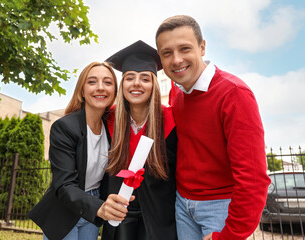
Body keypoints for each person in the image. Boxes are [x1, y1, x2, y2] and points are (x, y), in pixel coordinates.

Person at [155, 15, 271, 240]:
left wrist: (231, 235)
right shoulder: (176, 92)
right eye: (167, 53)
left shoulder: (234, 94)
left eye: (185, 48)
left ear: (202, 47)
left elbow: (254, 178)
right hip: (183, 205)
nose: (176, 59)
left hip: (221, 208)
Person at [28, 62, 134, 240]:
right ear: (82, 90)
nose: (100, 88)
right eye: (92, 82)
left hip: (94, 207)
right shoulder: (64, 127)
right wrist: (98, 207)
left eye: (108, 83)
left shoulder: (111, 128)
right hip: (65, 207)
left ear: (115, 92)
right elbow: (63, 184)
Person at [101, 40, 177, 240]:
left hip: (160, 217)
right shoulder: (107, 118)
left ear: (154, 85)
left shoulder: (172, 120)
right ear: (122, 84)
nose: (136, 84)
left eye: (145, 78)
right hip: (119, 212)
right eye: (130, 78)